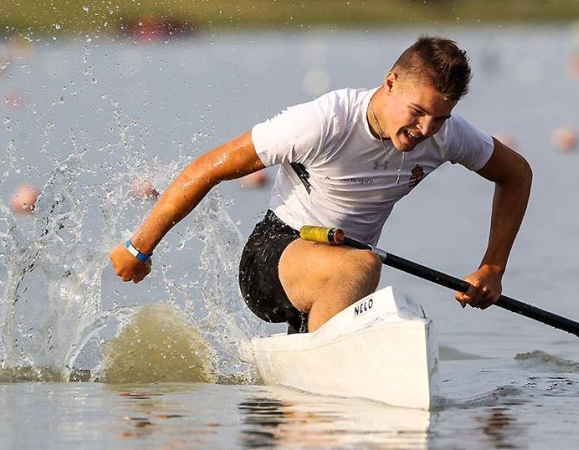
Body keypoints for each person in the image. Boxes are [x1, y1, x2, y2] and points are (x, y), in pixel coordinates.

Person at [110, 35, 532, 334]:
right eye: (418, 112)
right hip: (272, 256)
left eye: (439, 118)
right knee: (365, 265)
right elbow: (208, 167)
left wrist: (493, 267)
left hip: (340, 268)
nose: (425, 129)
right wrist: (139, 247)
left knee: (362, 271)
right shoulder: (323, 122)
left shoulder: (447, 134)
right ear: (391, 83)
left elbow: (516, 175)